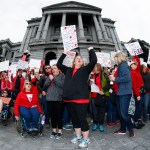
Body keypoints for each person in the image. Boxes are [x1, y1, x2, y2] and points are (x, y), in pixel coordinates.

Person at [57, 47, 97, 148]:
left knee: (82, 119)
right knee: (75, 119)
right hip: (69, 99)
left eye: (81, 58)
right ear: (74, 61)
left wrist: (91, 50)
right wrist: (64, 54)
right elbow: (58, 64)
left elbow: (94, 60)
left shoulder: (85, 70)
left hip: (81, 99)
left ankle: (86, 139)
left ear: (82, 62)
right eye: (77, 58)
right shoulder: (68, 70)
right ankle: (78, 136)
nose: (79, 59)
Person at [109, 52, 134, 138]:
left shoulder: (123, 65)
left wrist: (114, 78)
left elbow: (127, 78)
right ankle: (123, 129)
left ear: (118, 57)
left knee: (123, 114)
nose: (114, 59)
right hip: (120, 92)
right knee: (121, 113)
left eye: (115, 57)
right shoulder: (121, 66)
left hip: (124, 93)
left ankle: (131, 128)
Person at [43, 65, 65, 139]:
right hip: (49, 99)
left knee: (59, 116)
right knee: (52, 116)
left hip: (58, 99)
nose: (53, 70)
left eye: (55, 68)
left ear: (59, 69)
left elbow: (62, 85)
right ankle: (54, 131)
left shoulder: (62, 76)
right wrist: (49, 79)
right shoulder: (50, 77)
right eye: (52, 69)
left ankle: (60, 131)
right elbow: (45, 85)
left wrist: (54, 79)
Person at [129, 56, 145, 129]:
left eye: (134, 64)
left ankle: (137, 120)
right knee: (137, 108)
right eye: (132, 64)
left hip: (140, 91)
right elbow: (134, 85)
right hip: (137, 92)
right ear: (130, 66)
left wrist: (136, 55)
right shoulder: (132, 72)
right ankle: (135, 122)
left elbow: (140, 81)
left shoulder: (136, 71)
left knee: (139, 107)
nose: (134, 65)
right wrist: (138, 94)